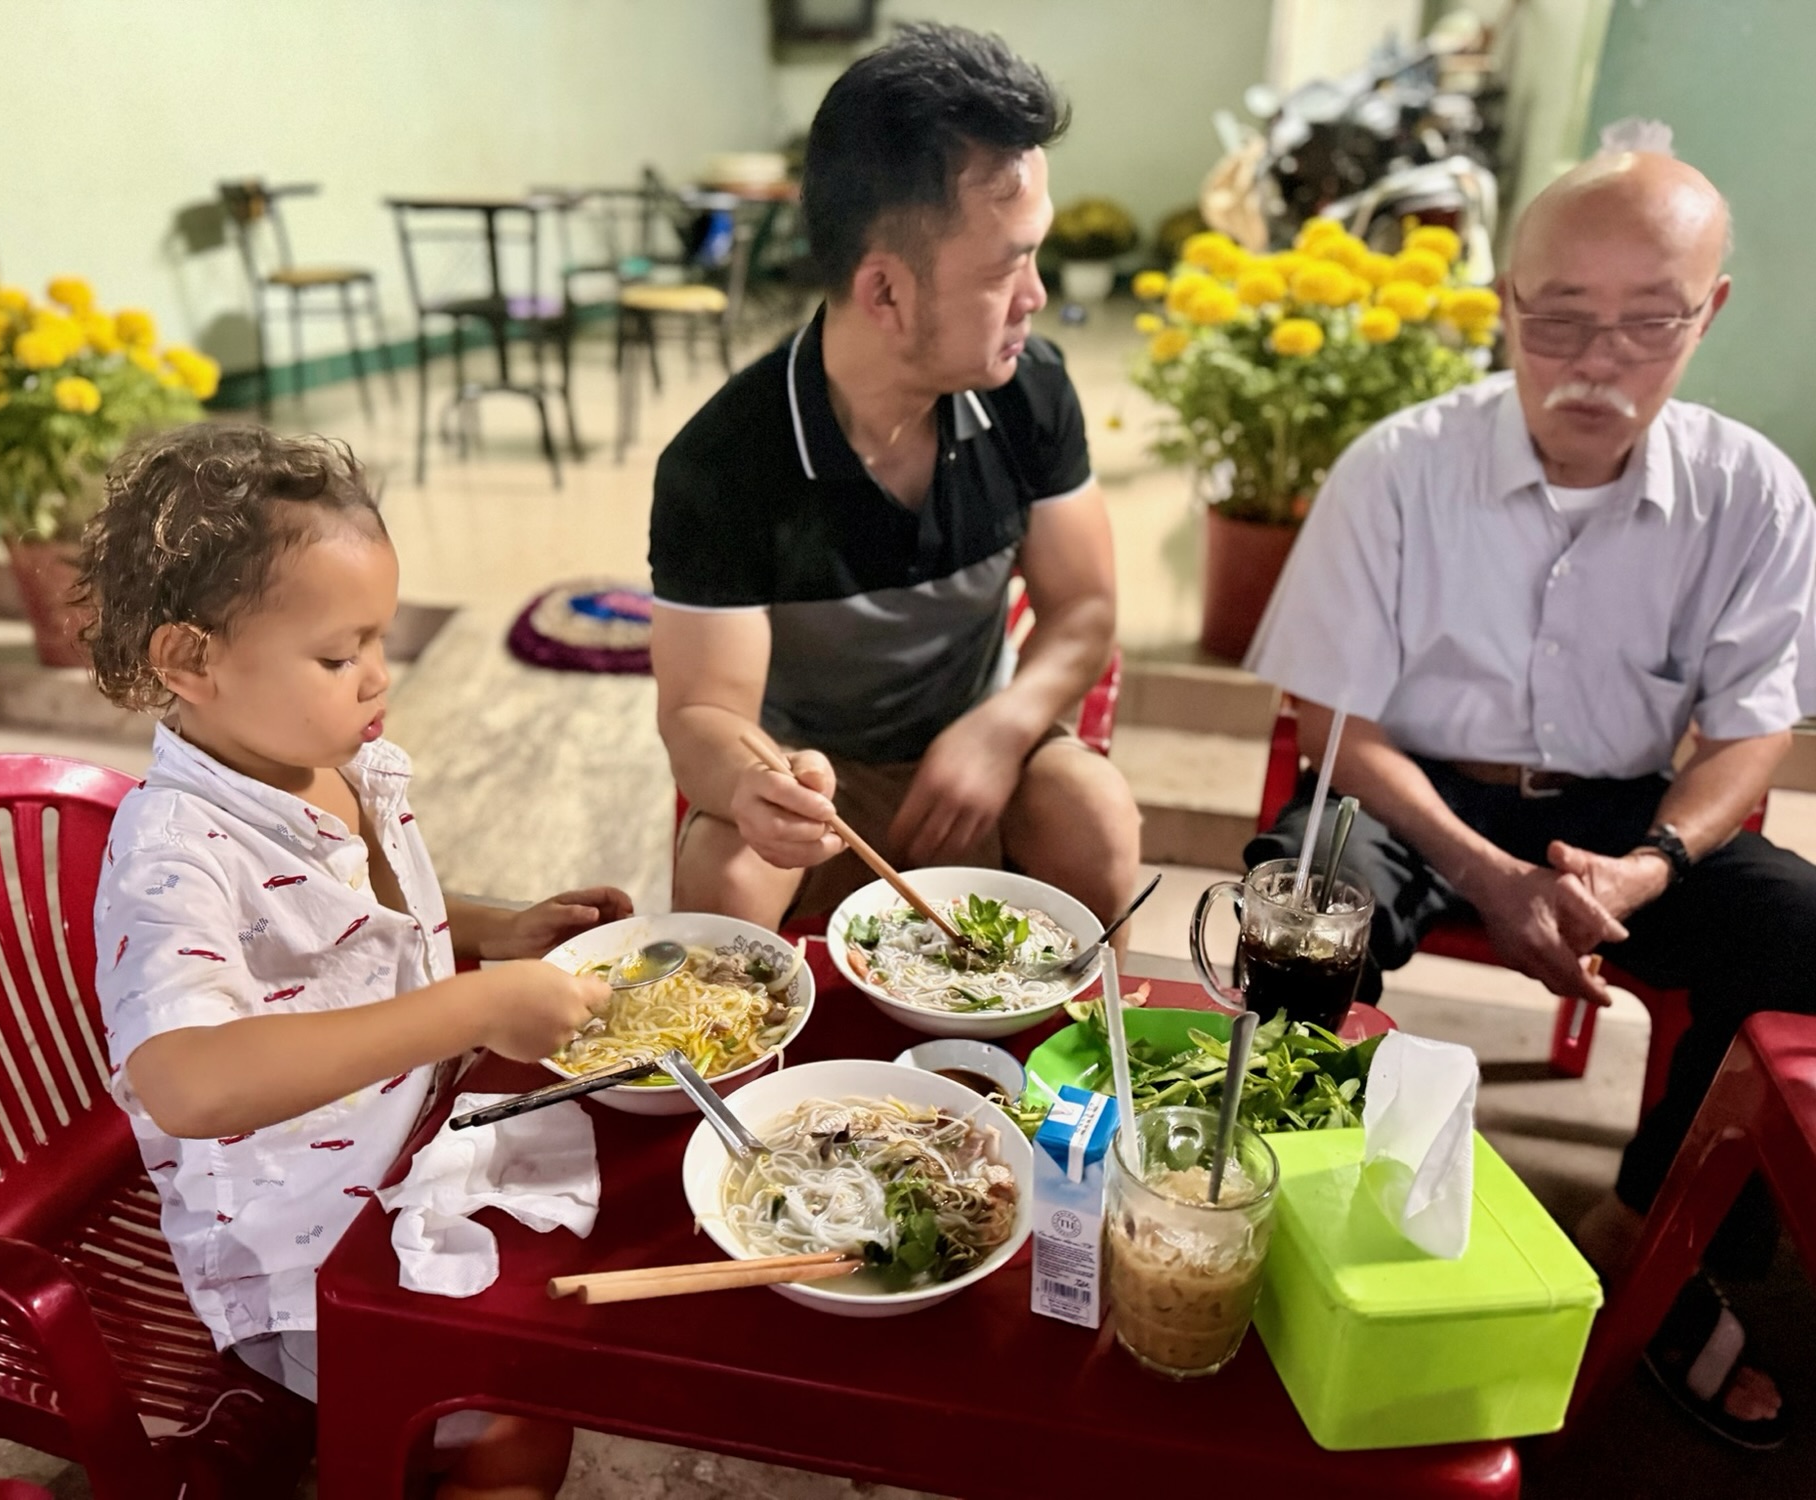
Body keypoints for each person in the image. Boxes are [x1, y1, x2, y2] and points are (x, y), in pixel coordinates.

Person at [1246, 149, 1816, 1449]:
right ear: (1505, 298)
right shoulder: (1398, 469)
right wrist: (1483, 871)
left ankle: (1653, 1237)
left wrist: (1654, 862)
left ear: (1710, 311)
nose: (1596, 361)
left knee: (1799, 935)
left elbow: (1750, 732)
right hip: (1412, 788)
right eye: (1558, 316)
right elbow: (1332, 719)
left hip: (1624, 814)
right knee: (1301, 910)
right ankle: (1301, 1205)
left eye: (1648, 320)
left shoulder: (1752, 495)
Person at [80, 424, 629, 1500]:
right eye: (339, 655)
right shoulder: (171, 851)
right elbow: (186, 1079)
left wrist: (490, 931)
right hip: (298, 1247)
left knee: (601, 1281)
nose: (378, 676)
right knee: (513, 1421)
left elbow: (354, 926)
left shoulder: (331, 761)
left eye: (379, 639)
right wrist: (470, 1009)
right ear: (190, 662)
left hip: (410, 1152)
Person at [649, 23, 1141, 940]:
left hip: (978, 742)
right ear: (884, 293)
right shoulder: (724, 462)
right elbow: (701, 712)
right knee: (725, 872)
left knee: (1094, 816)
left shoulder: (1030, 390)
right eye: (1008, 264)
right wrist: (757, 781)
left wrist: (1003, 726)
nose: (1037, 294)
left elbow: (1084, 611)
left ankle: (1050, 1057)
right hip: (816, 784)